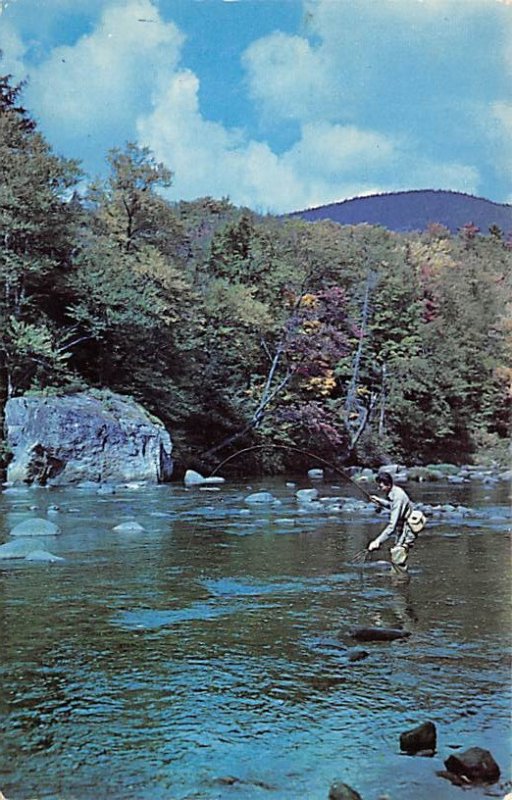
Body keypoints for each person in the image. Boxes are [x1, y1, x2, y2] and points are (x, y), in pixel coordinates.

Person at [367, 471, 416, 580]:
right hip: (402, 528)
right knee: (397, 558)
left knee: (398, 558)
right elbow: (393, 506)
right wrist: (379, 501)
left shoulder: (398, 496)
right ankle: (398, 582)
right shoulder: (395, 492)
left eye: (381, 486)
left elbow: (391, 526)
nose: (379, 488)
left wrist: (377, 541)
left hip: (407, 529)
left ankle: (401, 584)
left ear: (388, 484)